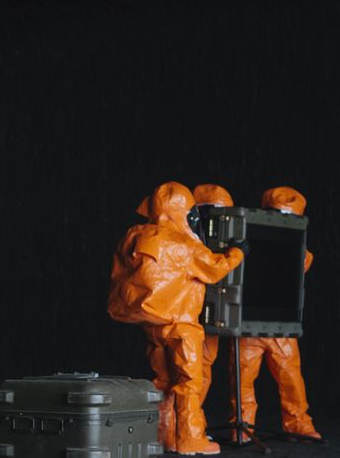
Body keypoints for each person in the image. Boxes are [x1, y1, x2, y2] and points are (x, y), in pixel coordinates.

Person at [108, 181, 245, 455]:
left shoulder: (134, 235)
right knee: (189, 384)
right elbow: (215, 268)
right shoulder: (184, 244)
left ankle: (163, 437)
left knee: (163, 382)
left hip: (152, 325)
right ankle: (190, 440)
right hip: (182, 327)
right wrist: (237, 252)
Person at [229, 186, 321, 442]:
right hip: (248, 324)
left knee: (291, 379)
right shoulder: (245, 240)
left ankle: (298, 424)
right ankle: (243, 426)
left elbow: (299, 263)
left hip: (281, 326)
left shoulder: (300, 252)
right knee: (242, 381)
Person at [191, 184, 236, 407]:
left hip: (208, 312)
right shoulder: (187, 239)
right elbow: (211, 268)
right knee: (186, 373)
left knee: (201, 368)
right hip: (186, 315)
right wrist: (236, 254)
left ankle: (189, 421)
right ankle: (177, 424)